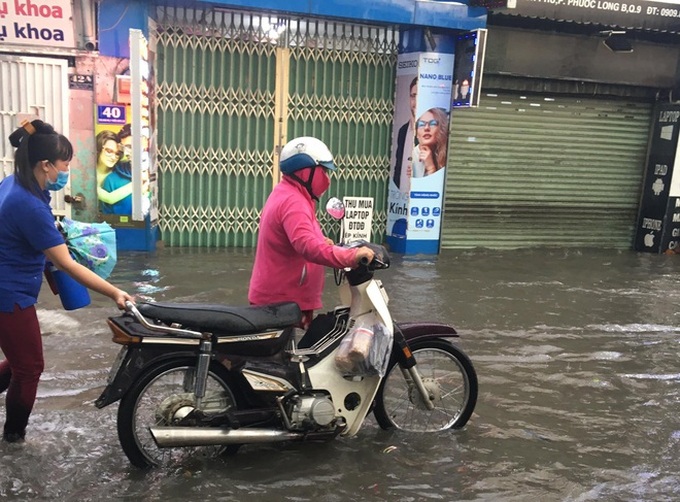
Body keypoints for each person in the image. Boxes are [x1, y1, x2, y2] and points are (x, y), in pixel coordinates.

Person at [0, 120, 134, 443]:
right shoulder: (29, 204)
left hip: (9, 287)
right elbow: (67, 264)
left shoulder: (14, 183)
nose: (67, 171)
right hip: (8, 295)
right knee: (30, 368)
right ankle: (13, 440)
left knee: (22, 362)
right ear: (45, 165)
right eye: (64, 165)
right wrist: (115, 292)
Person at [248, 136, 374, 328]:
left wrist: (323, 241)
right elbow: (308, 247)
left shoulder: (291, 194)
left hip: (284, 298)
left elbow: (297, 237)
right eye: (323, 171)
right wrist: (352, 256)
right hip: (281, 302)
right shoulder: (293, 202)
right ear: (306, 172)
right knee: (284, 356)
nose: (327, 179)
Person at [392, 77, 418, 192]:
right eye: (413, 96)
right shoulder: (403, 131)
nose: (416, 102)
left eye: (420, 96)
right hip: (401, 200)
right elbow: (397, 168)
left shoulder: (430, 133)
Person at [95, 130, 131, 211]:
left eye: (117, 153)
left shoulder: (121, 171)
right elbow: (109, 198)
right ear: (99, 148)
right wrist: (139, 185)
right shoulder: (87, 173)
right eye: (109, 151)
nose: (113, 157)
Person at [411, 107, 449, 177]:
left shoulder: (447, 156)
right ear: (416, 133)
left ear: (441, 129)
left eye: (432, 124)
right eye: (421, 124)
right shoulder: (410, 158)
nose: (426, 128)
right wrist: (431, 169)